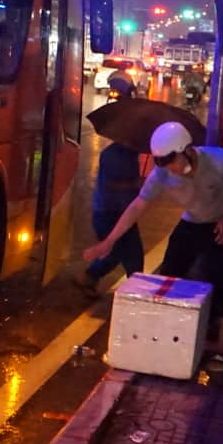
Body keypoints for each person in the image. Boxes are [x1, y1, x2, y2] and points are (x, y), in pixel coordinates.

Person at [82, 120, 223, 370]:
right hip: (192, 221)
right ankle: (167, 332)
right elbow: (137, 206)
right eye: (162, 163)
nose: (170, 168)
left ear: (186, 150)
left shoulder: (218, 161)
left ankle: (222, 342)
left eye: (172, 161)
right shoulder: (162, 173)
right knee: (170, 272)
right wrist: (108, 242)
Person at [75, 74, 146, 290]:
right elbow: (113, 186)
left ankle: (89, 278)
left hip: (121, 212)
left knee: (119, 253)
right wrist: (137, 185)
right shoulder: (114, 155)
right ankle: (134, 293)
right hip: (110, 213)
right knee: (130, 257)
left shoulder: (130, 152)